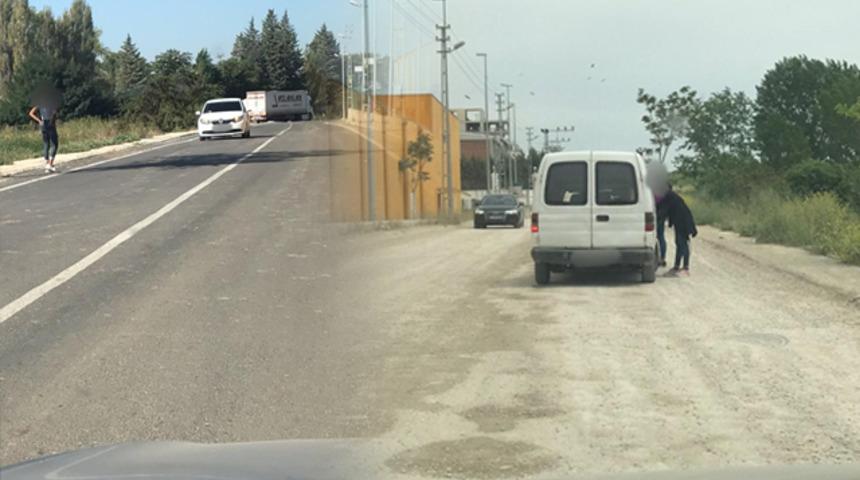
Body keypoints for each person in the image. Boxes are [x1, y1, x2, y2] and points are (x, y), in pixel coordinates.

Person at [664, 188, 697, 276]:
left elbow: (664, 211)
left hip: (683, 223)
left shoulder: (669, 197)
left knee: (683, 244)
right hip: (681, 223)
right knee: (680, 244)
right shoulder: (672, 197)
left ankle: (685, 267)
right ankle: (677, 266)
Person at [28, 104, 59, 173]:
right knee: (54, 144)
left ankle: (47, 163)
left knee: (46, 143)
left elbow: (31, 113)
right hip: (50, 124)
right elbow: (54, 113)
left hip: (43, 124)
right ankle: (50, 163)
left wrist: (39, 120)